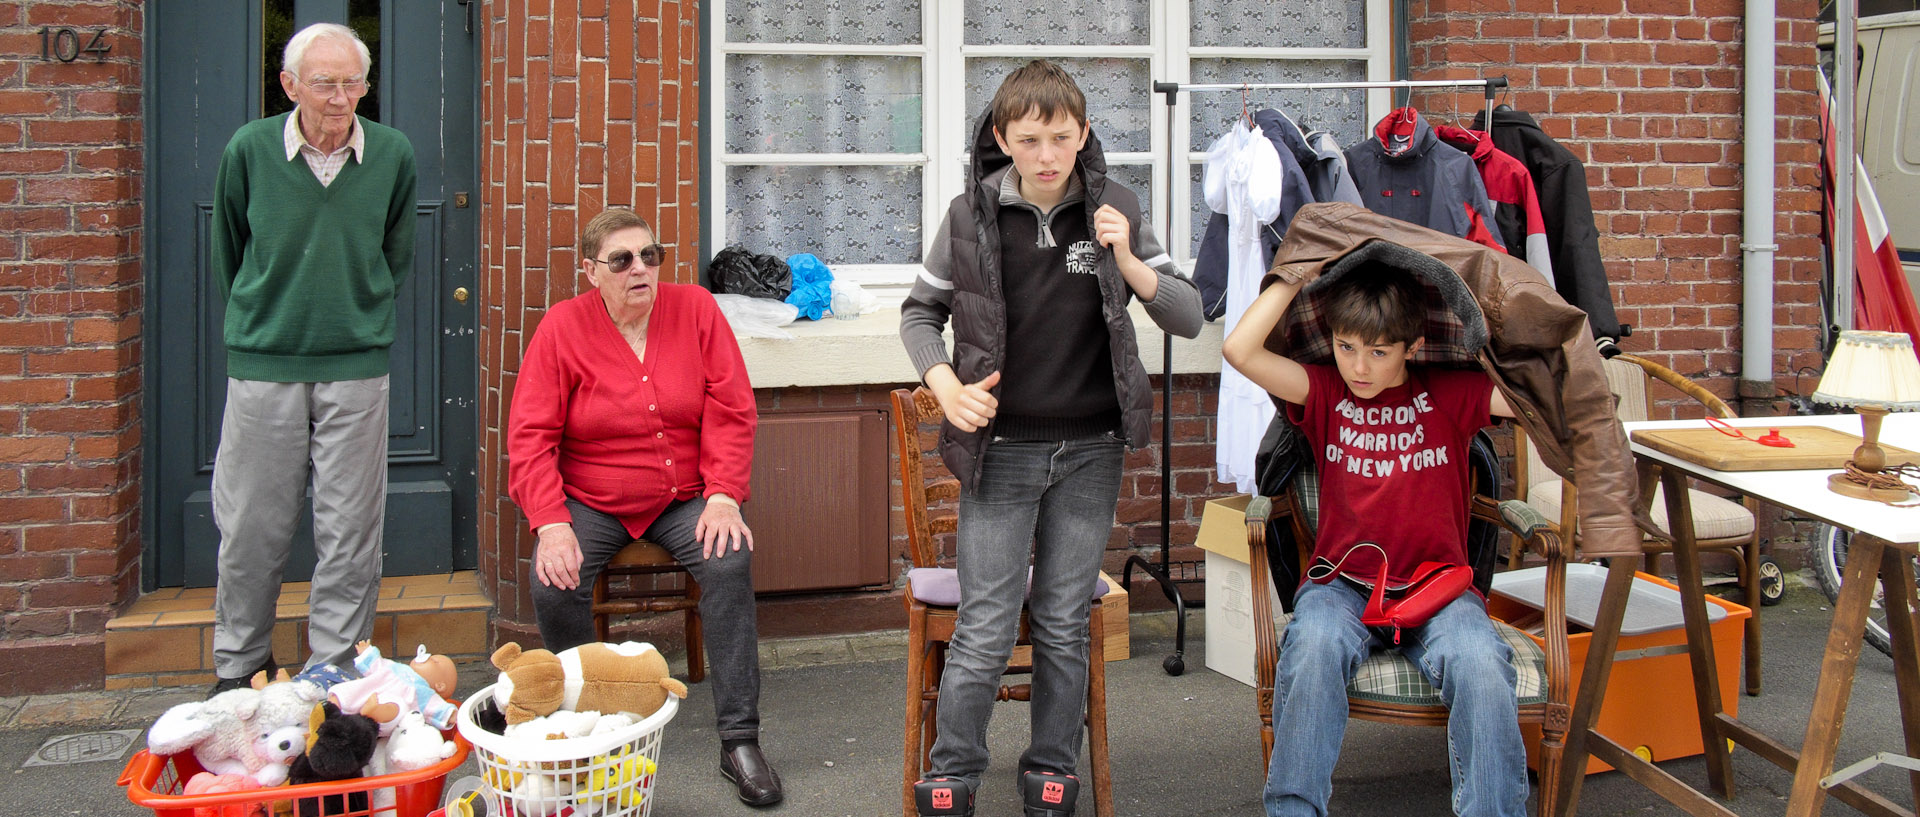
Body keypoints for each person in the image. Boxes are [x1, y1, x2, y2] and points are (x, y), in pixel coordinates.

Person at [898, 60, 1203, 817]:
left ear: (1084, 133)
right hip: (1001, 451)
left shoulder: (1118, 207)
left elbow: (1190, 315)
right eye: (1029, 138)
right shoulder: (969, 216)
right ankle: (955, 773)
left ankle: (1050, 770)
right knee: (988, 622)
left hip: (1091, 448)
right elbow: (917, 315)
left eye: (1060, 137)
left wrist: (1128, 258)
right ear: (1003, 137)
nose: (1045, 155)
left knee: (1065, 621)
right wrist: (944, 386)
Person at [1221, 258, 1526, 817]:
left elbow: (1535, 391)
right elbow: (1239, 351)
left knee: (1483, 662)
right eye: (1345, 346)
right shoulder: (1325, 392)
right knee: (1310, 649)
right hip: (1342, 586)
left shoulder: (1451, 396)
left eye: (1378, 352)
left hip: (1438, 588)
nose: (1359, 367)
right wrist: (1294, 273)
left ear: (1412, 346)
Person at [506, 208, 780, 807]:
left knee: (729, 561)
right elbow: (530, 437)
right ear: (590, 272)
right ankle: (593, 731)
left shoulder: (697, 311)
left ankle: (740, 740)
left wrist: (724, 495)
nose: (640, 269)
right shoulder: (561, 328)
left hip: (685, 496)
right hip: (593, 499)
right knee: (554, 582)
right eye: (622, 260)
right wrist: (551, 522)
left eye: (650, 256)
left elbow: (732, 409)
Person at [207, 22, 416, 695]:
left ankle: (335, 671)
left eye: (352, 82)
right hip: (266, 362)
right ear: (289, 84)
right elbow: (230, 250)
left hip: (357, 363)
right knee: (250, 526)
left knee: (351, 529)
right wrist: (263, 321)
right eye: (324, 82)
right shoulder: (249, 150)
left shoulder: (391, 154)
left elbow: (396, 252)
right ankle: (239, 667)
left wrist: (360, 312)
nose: (339, 97)